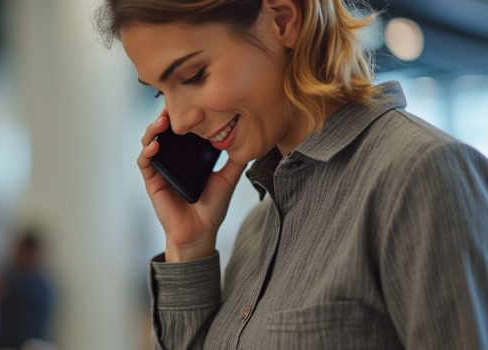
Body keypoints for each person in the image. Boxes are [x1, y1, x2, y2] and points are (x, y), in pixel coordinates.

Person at [96, 0, 488, 349]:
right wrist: (188, 248)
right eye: (159, 92)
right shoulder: (258, 228)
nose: (178, 122)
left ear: (283, 20)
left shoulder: (420, 174)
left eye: (194, 75)